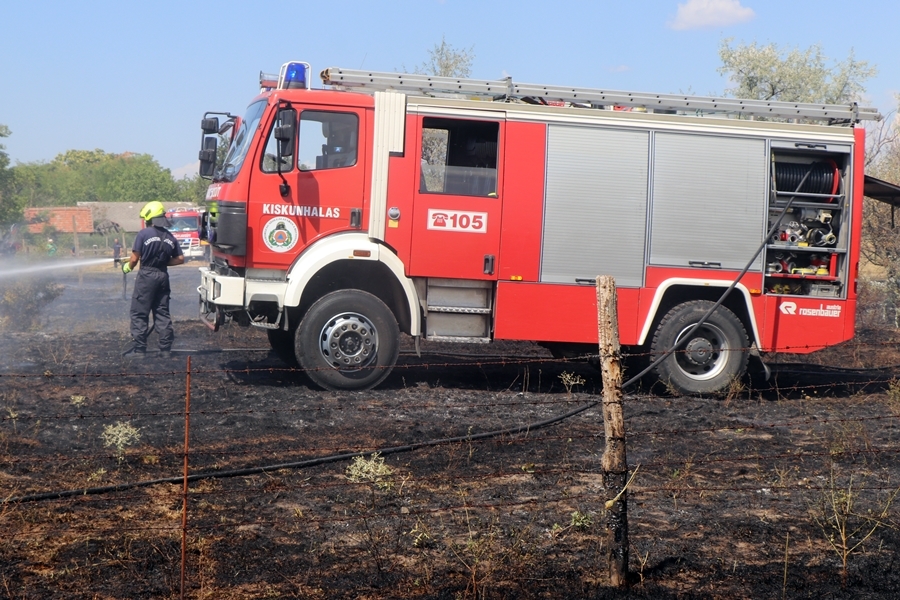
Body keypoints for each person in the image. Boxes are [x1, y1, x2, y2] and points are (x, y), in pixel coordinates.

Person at [122, 201, 184, 356]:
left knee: (139, 312)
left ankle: (140, 350)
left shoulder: (143, 234)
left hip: (147, 276)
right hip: (163, 276)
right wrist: (162, 263)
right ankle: (165, 350)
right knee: (162, 312)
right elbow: (180, 259)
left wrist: (128, 267)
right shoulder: (170, 237)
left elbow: (135, 258)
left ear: (149, 218)